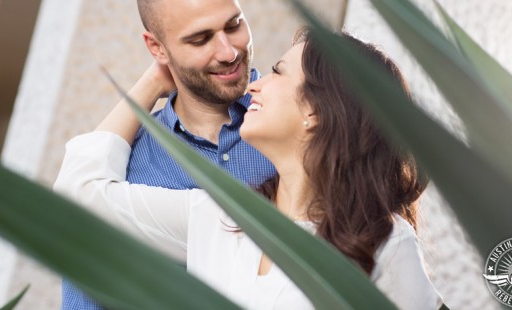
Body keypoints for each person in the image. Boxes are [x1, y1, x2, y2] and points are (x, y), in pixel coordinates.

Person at [55, 27, 443, 309]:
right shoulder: (218, 218)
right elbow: (80, 199)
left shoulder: (382, 242)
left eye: (279, 72)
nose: (255, 85)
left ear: (315, 111)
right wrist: (154, 82)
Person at [60, 0, 276, 309]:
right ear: (156, 48)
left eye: (234, 24)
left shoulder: (298, 127)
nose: (229, 51)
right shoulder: (121, 168)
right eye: (200, 39)